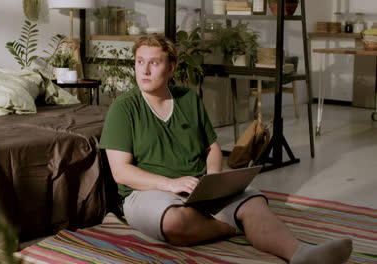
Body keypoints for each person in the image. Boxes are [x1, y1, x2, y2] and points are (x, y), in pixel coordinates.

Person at [99, 34, 352, 264]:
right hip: (148, 192)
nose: (144, 70)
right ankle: (233, 227)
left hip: (198, 186)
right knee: (175, 222)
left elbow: (212, 148)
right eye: (140, 62)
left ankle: (301, 254)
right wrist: (169, 184)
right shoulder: (123, 108)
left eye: (154, 63)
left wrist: (212, 179)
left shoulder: (188, 99)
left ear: (171, 67)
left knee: (254, 205)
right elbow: (121, 172)